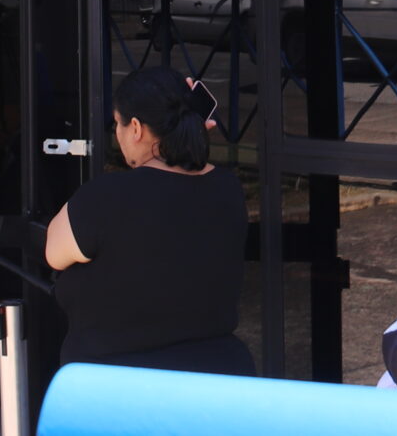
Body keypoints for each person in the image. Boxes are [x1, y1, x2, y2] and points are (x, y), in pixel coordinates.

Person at [45, 68, 250, 375]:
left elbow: (54, 252)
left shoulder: (106, 197)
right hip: (214, 376)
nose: (117, 133)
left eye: (118, 123)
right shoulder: (228, 188)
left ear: (136, 128)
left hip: (116, 386)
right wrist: (190, 137)